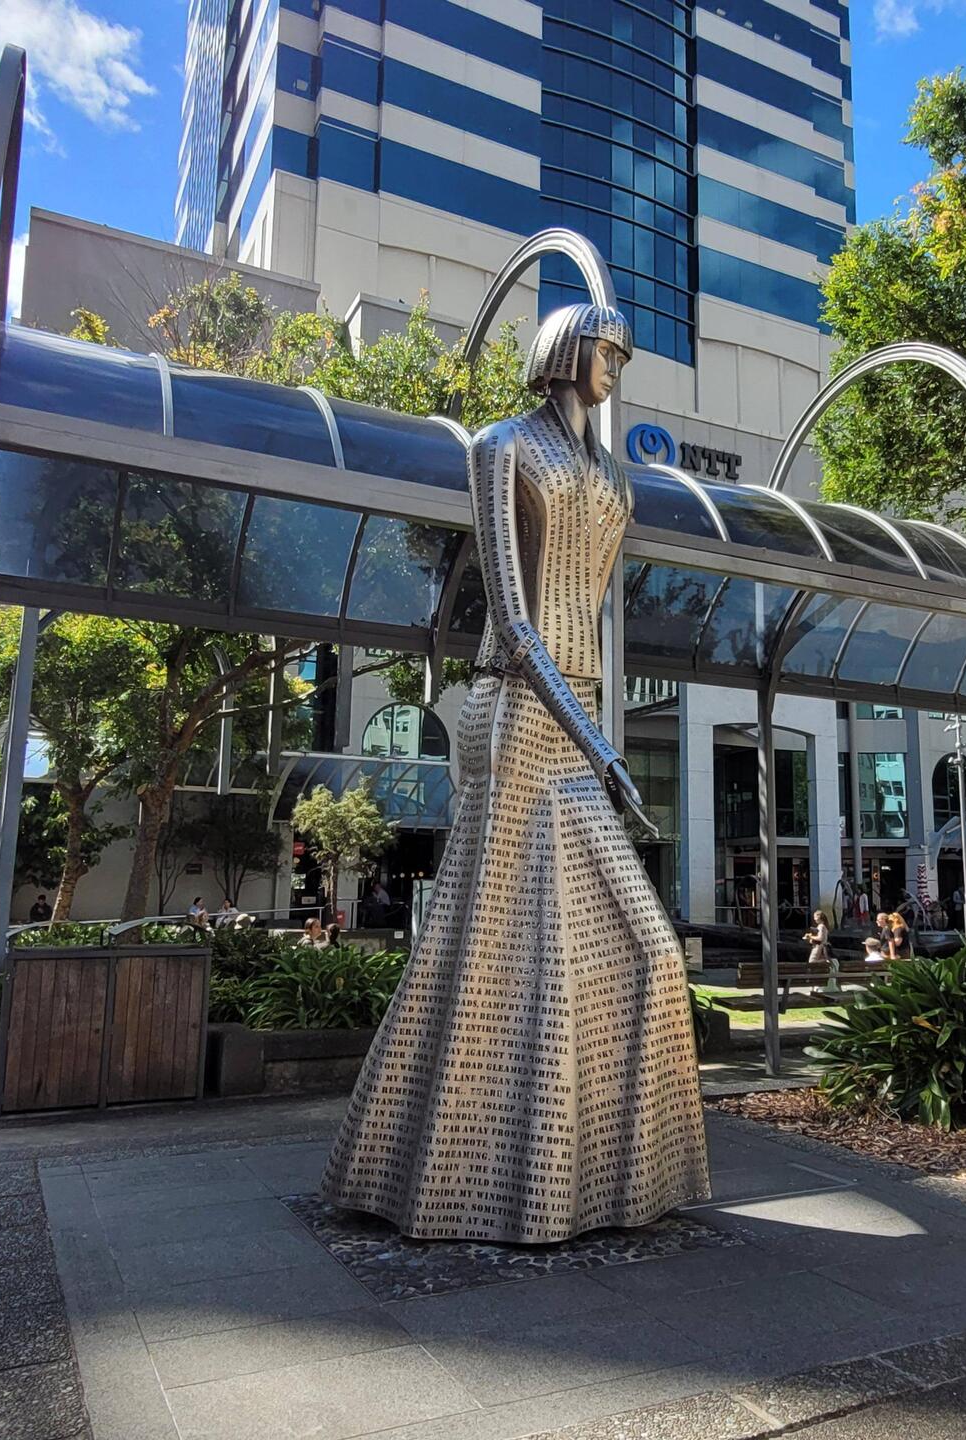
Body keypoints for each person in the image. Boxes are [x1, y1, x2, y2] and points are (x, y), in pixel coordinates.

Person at [321, 303, 710, 1243]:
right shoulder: (500, 447)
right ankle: (452, 1173)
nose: (614, 366)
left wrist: (600, 734)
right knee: (490, 946)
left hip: (578, 715)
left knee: (643, 952)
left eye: (622, 355)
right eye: (605, 350)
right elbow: (516, 619)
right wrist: (603, 748)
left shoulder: (612, 477)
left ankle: (599, 1179)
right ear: (566, 350)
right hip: (514, 708)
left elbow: (594, 616)